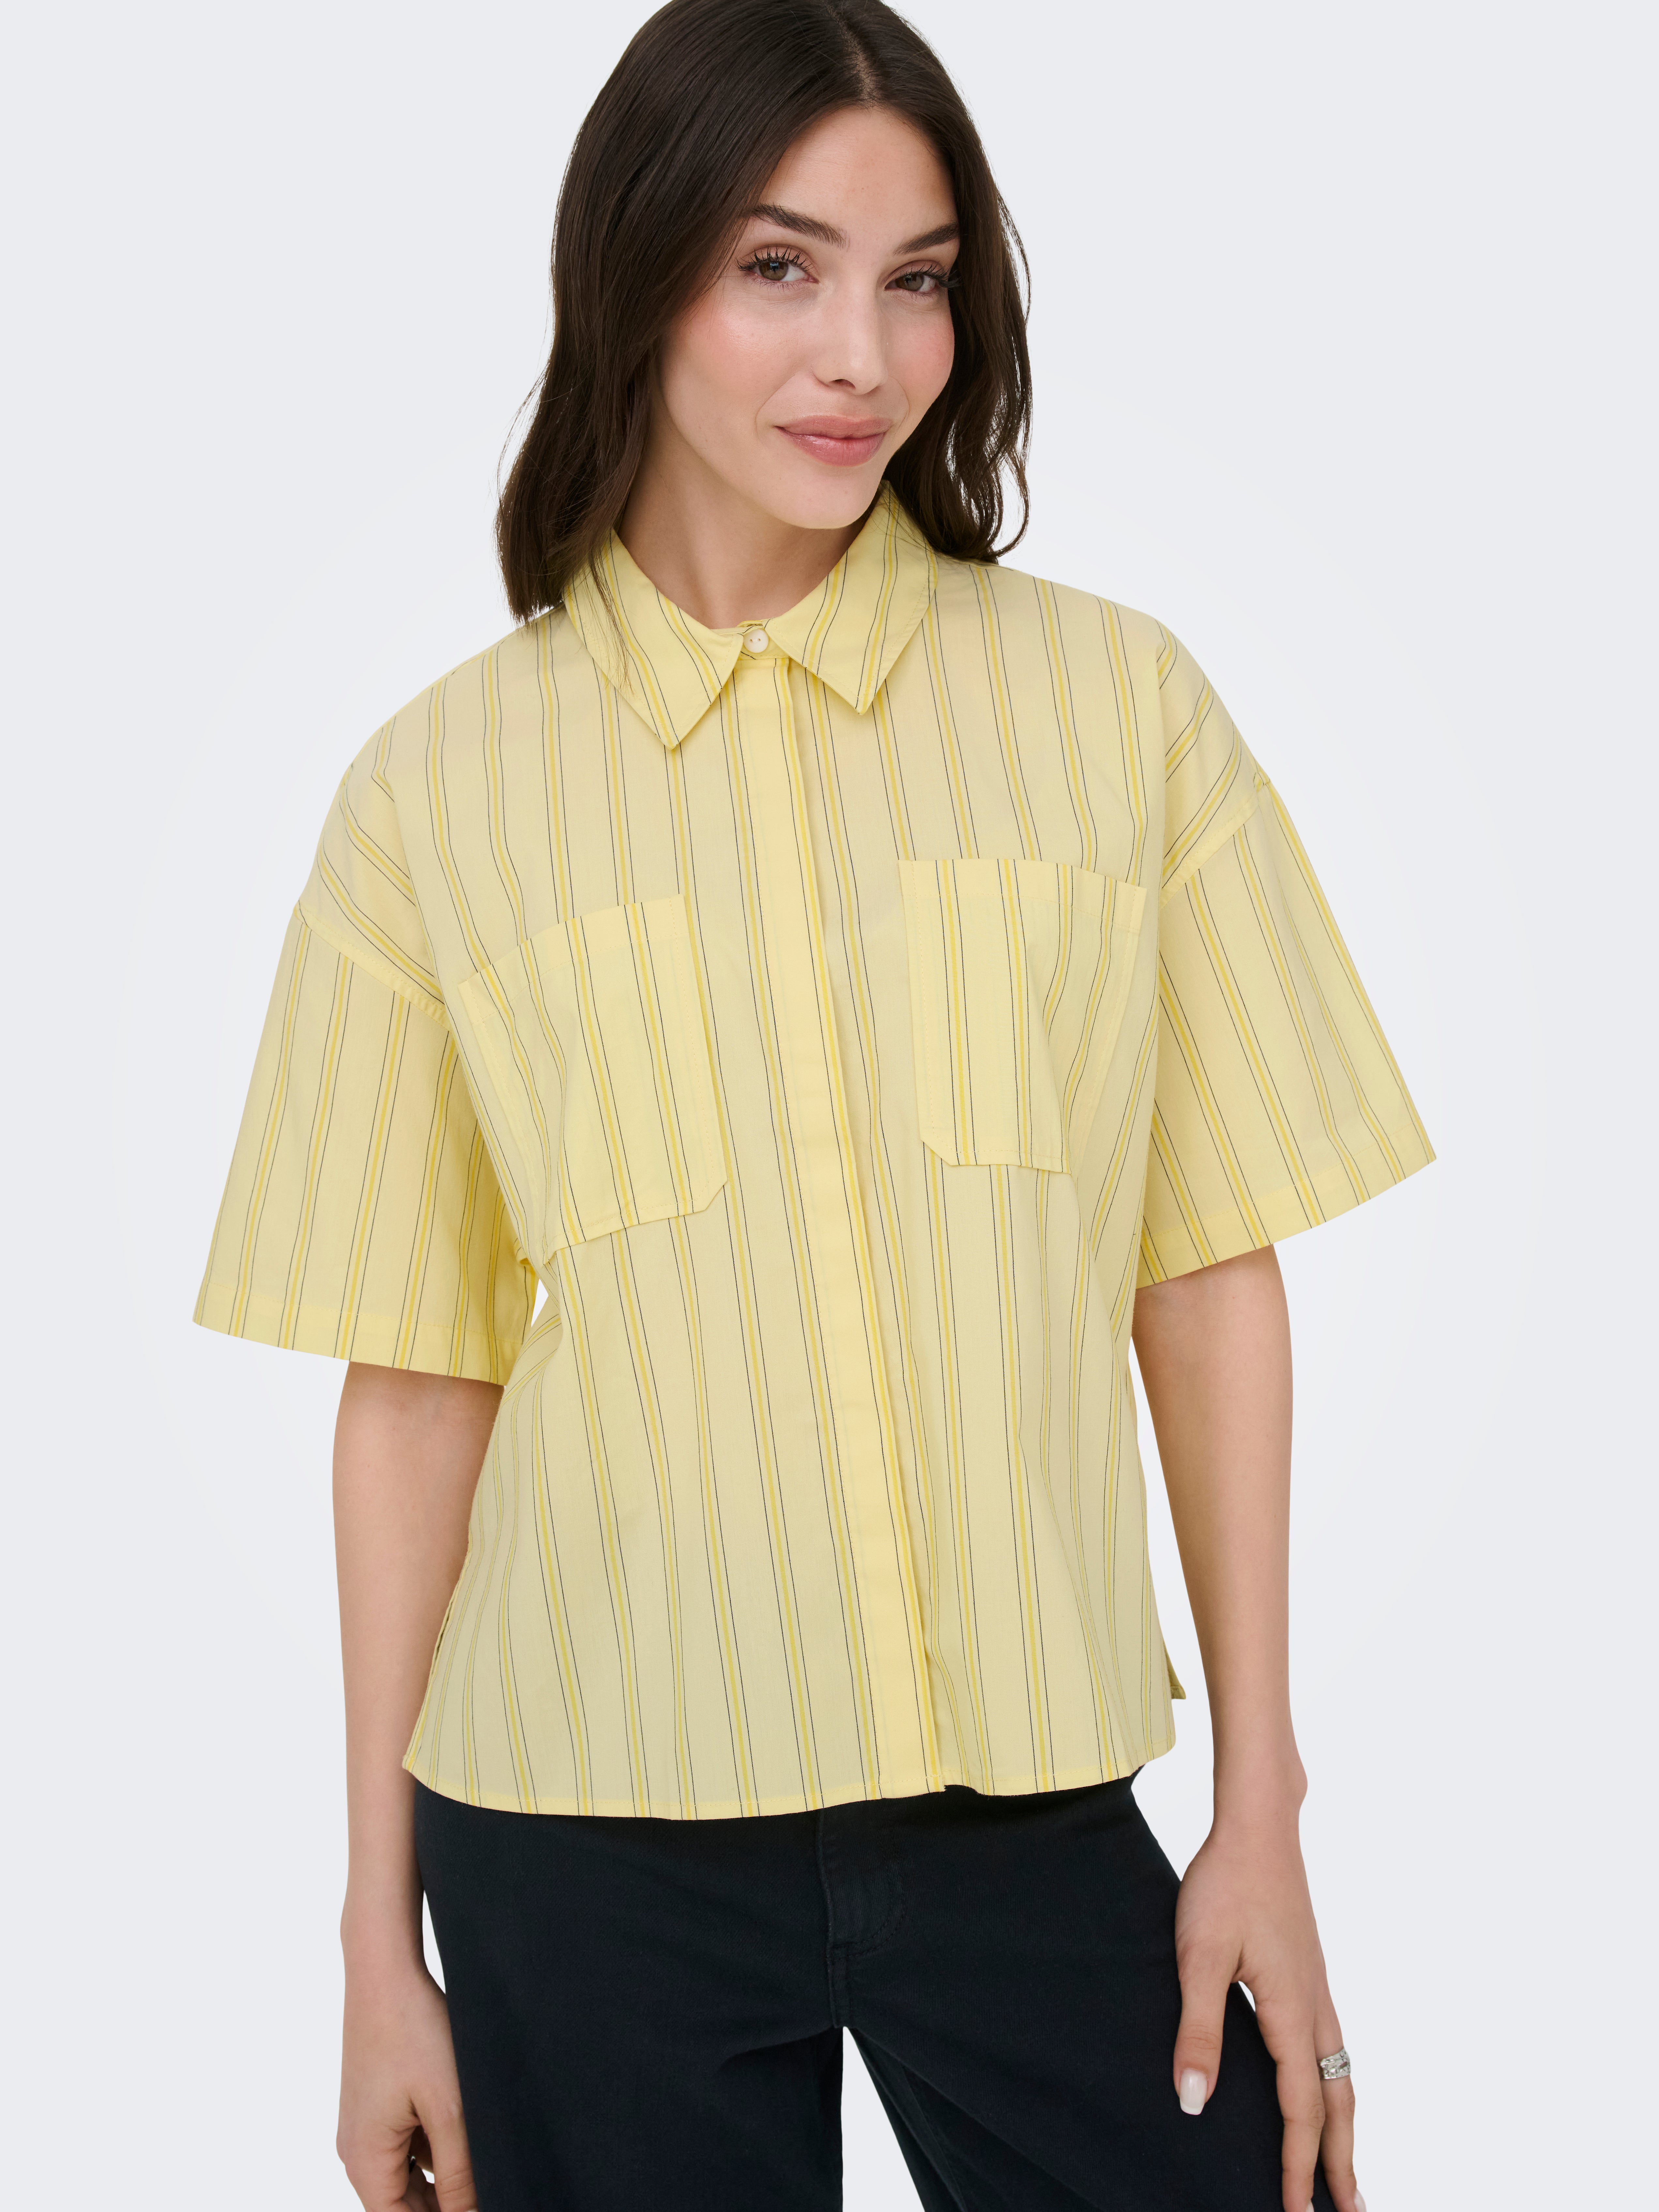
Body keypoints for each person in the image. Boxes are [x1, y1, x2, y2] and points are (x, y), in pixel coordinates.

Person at [195, 3, 1431, 2206]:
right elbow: (416, 1387)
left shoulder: (1116, 714)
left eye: (918, 277)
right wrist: (379, 1943)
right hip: (580, 1831)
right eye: (781, 267)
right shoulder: (435, 795)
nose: (862, 355)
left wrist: (1260, 1808)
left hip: (1032, 1806)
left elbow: (1204, 1267)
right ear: (636, 272)